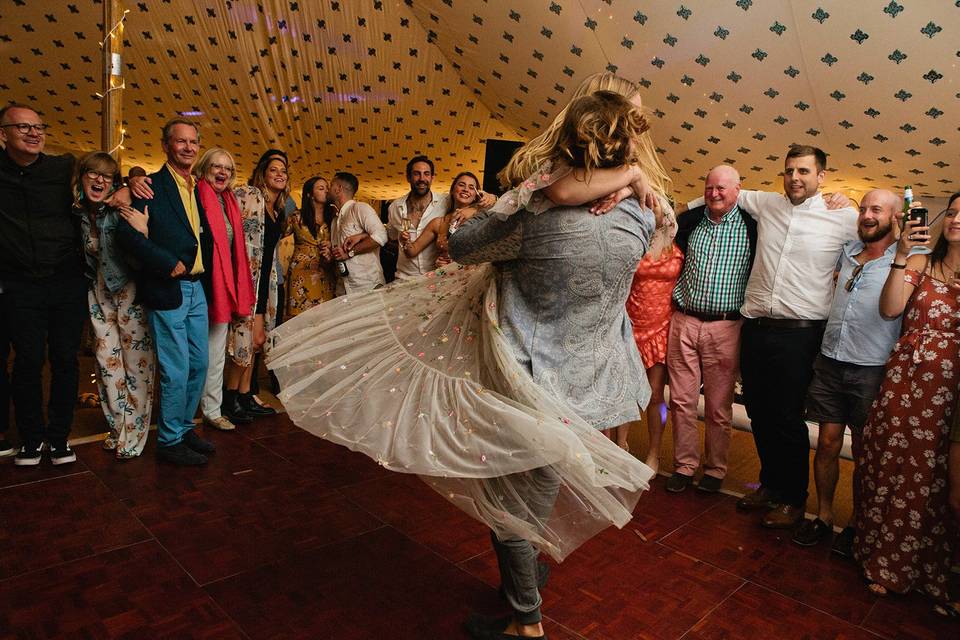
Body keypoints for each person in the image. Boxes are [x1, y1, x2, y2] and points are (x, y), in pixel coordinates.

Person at [269, 88, 662, 640]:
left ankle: (526, 621)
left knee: (506, 504)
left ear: (569, 140)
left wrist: (529, 193)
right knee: (534, 491)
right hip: (592, 378)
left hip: (525, 376)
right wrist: (630, 180)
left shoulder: (534, 215)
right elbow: (660, 233)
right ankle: (520, 587)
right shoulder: (642, 215)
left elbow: (467, 244)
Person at [686, 145, 857, 529]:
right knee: (759, 413)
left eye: (803, 171)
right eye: (789, 170)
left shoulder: (842, 216)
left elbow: (878, 231)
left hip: (800, 334)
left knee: (786, 417)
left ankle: (794, 500)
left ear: (821, 177)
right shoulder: (766, 204)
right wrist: (682, 206)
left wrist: (853, 200)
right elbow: (722, 192)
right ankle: (769, 485)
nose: (795, 178)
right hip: (757, 328)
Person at [854, 192, 959, 604]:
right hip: (906, 381)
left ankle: (926, 567)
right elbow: (889, 308)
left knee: (936, 479)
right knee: (892, 466)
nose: (954, 220)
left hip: (951, 395)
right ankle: (883, 560)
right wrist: (900, 253)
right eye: (950, 213)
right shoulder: (921, 262)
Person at [791, 189, 903, 552]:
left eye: (877, 211)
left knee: (866, 454)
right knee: (825, 444)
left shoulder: (908, 259)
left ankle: (857, 525)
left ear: (895, 218)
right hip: (830, 361)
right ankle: (822, 517)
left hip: (871, 369)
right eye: (865, 209)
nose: (868, 216)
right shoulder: (848, 251)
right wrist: (842, 201)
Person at [116, 118, 215, 466]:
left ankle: (185, 427)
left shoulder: (197, 187)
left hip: (197, 289)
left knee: (199, 365)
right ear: (166, 145)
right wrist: (165, 261)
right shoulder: (150, 187)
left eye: (193, 142)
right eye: (180, 141)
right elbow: (126, 235)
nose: (188, 147)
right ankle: (170, 440)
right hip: (169, 288)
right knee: (176, 369)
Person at [0, 103, 89, 465]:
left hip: (66, 283)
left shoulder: (62, 167)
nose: (35, 133)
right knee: (27, 362)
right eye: (25, 128)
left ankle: (59, 438)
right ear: (3, 134)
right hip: (19, 286)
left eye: (39, 127)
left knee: (66, 361)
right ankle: (31, 439)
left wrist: (130, 182)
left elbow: (103, 173)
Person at [664, 165, 756, 492]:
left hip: (726, 327)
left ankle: (715, 471)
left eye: (722, 188)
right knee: (681, 401)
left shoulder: (752, 225)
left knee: (718, 407)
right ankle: (684, 467)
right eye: (709, 188)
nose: (715, 194)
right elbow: (669, 219)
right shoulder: (690, 223)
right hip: (684, 321)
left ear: (738, 190)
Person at [74, 152, 155, 458]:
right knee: (107, 366)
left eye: (106, 176)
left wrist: (132, 183)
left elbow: (141, 253)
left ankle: (134, 437)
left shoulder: (123, 208)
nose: (99, 180)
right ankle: (118, 428)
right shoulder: (78, 213)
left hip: (130, 292)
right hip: (98, 294)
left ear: (114, 182)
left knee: (138, 367)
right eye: (93, 173)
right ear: (82, 178)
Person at [193, 148, 255, 432]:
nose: (222, 172)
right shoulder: (194, 194)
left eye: (227, 168)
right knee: (194, 356)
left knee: (216, 353)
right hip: (195, 285)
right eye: (216, 166)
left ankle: (212, 409)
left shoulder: (229, 201)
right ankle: (183, 416)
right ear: (204, 168)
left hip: (221, 287)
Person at [223, 155, 288, 420]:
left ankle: (245, 394)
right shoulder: (249, 194)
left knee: (256, 341)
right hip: (246, 277)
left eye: (283, 170)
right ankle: (230, 399)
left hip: (265, 282)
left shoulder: (277, 208)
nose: (279, 174)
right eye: (273, 170)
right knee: (244, 341)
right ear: (262, 173)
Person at [399, 171, 485, 269]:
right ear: (452, 191)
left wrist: (476, 209)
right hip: (446, 278)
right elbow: (412, 251)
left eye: (471, 187)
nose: (466, 189)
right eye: (461, 185)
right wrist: (406, 241)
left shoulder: (482, 217)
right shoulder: (439, 223)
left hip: (473, 276)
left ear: (475, 195)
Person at [387, 156, 449, 280]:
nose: (422, 179)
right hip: (404, 278)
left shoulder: (446, 202)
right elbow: (392, 237)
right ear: (408, 177)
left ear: (432, 178)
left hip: (435, 278)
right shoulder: (395, 207)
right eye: (416, 174)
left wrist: (492, 198)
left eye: (426, 174)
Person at [327, 172, 388, 294]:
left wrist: (350, 252)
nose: (328, 189)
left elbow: (381, 236)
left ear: (339, 189)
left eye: (331, 185)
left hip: (367, 285)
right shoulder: (335, 221)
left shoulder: (360, 208)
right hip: (343, 288)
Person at [286, 177, 335, 317]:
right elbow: (275, 236)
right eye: (321, 188)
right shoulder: (296, 217)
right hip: (300, 274)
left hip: (325, 272)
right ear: (310, 194)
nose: (326, 191)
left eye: (327, 188)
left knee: (324, 321)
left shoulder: (334, 218)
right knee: (299, 321)